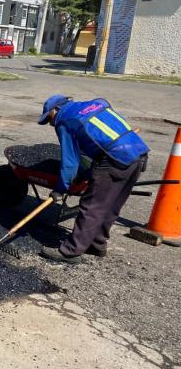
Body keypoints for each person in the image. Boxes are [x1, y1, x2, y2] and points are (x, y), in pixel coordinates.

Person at [37, 95, 149, 264]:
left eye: (49, 118)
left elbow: (70, 162)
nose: (50, 123)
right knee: (111, 204)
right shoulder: (96, 104)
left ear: (57, 109)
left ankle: (71, 251)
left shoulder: (65, 121)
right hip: (138, 153)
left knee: (92, 207)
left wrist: (60, 188)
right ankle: (97, 244)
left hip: (114, 158)